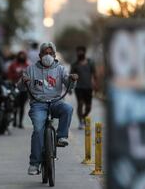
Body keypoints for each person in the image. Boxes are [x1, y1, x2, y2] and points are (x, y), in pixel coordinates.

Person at [18, 42, 78, 175]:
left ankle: (61, 137)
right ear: (40, 55)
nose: (48, 56)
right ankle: (34, 164)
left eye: (51, 53)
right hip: (38, 104)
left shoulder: (60, 69)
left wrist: (72, 80)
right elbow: (20, 88)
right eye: (45, 53)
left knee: (67, 109)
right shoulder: (31, 69)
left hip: (56, 102)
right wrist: (23, 81)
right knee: (38, 129)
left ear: (55, 55)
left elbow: (69, 85)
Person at [70, 46, 97, 129]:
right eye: (78, 51)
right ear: (77, 53)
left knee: (88, 107)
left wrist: (95, 84)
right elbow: (70, 76)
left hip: (88, 87)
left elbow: (94, 74)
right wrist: (70, 87)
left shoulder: (90, 63)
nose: (80, 53)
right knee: (80, 104)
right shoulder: (74, 64)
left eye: (82, 51)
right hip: (79, 87)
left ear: (84, 52)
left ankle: (84, 116)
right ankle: (80, 122)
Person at [7, 51, 30, 128]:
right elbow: (9, 74)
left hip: (24, 88)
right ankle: (14, 121)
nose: (22, 57)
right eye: (21, 55)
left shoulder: (27, 65)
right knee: (15, 105)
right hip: (15, 86)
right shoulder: (13, 65)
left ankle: (20, 122)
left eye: (23, 55)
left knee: (22, 106)